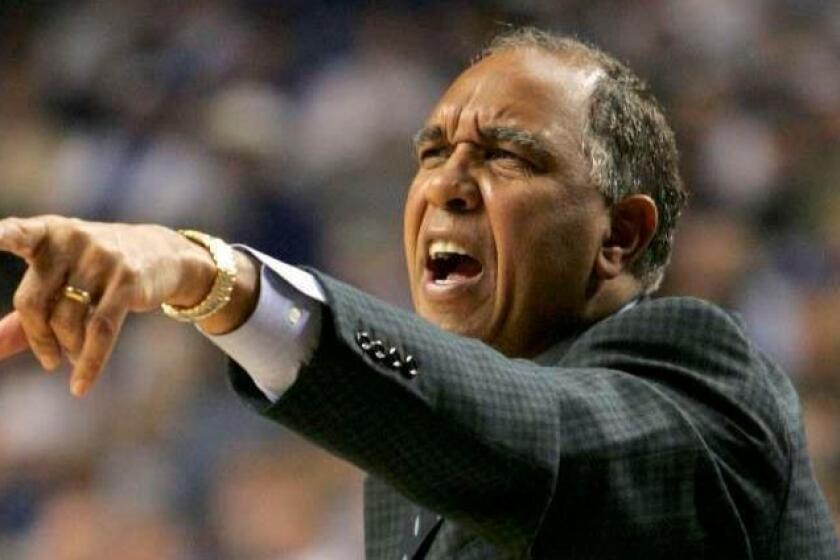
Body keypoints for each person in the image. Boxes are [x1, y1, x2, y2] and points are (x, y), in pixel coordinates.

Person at [0, 27, 836, 558]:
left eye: (508, 154)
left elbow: (539, 437)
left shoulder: (705, 375)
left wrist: (215, 275)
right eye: (432, 154)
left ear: (618, 236)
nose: (447, 185)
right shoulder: (410, 459)